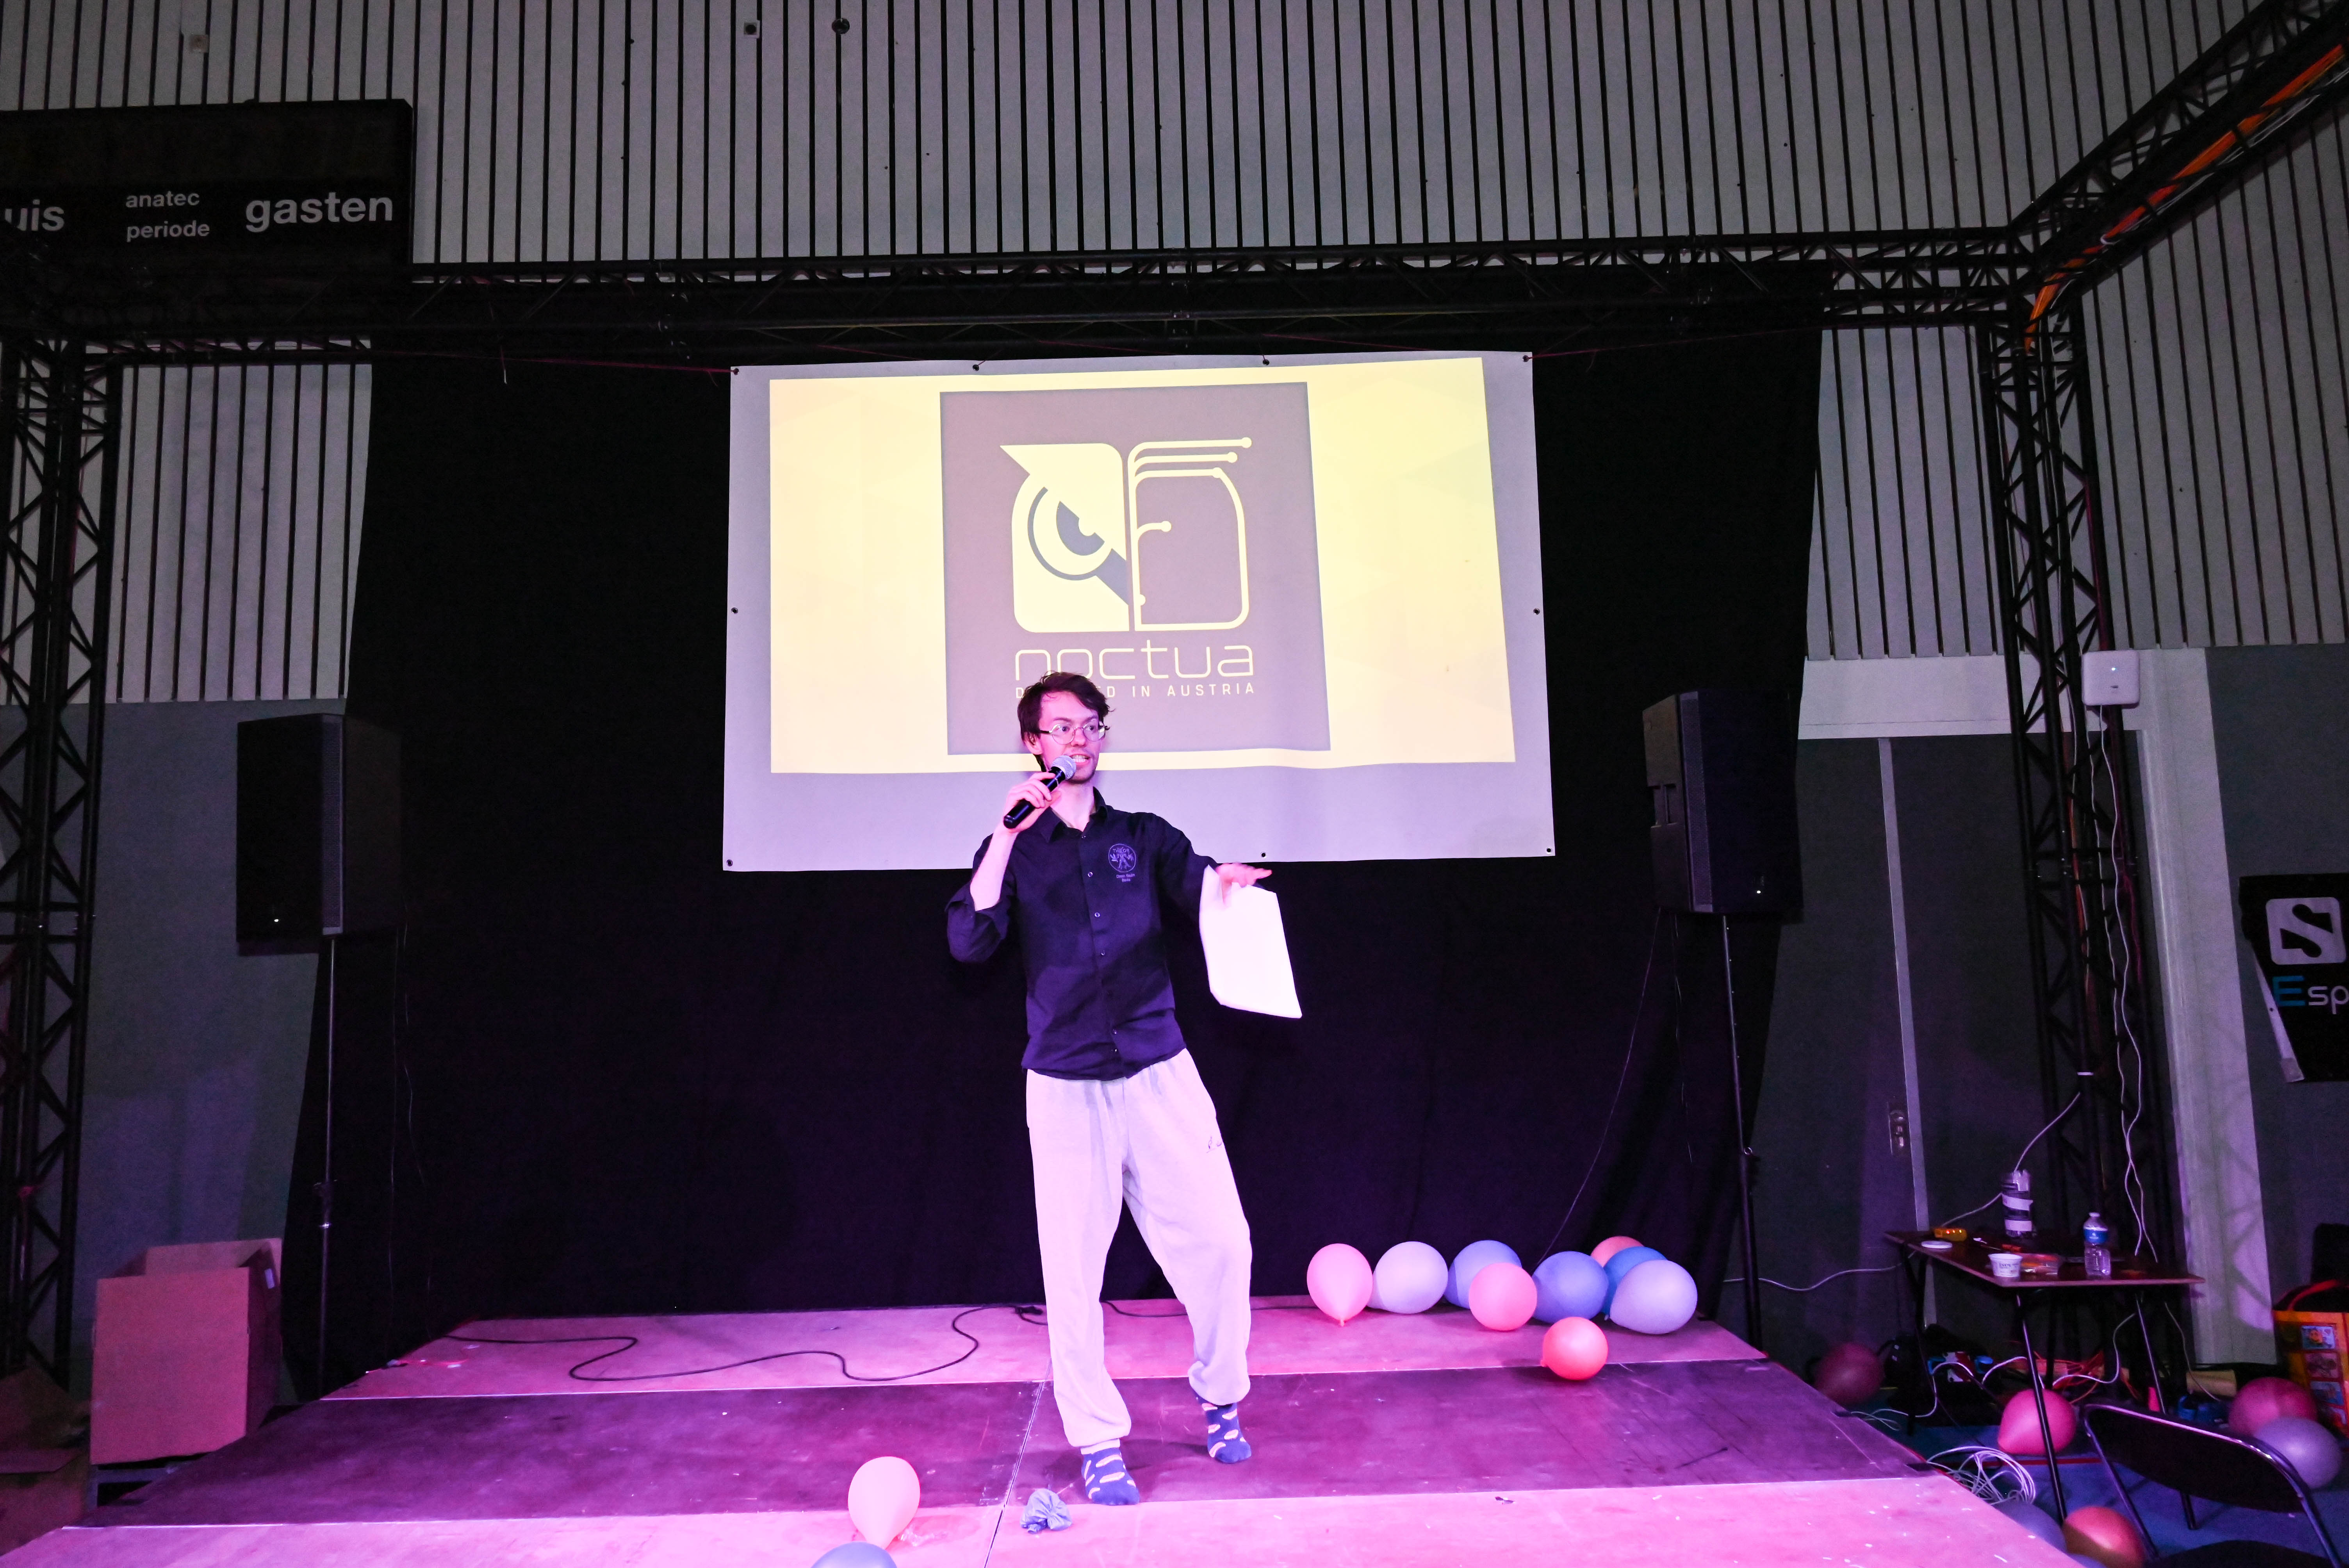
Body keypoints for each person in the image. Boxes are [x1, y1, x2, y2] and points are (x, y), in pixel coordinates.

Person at [946, 671, 1269, 1506]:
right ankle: (1096, 1440)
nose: (1080, 740)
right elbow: (969, 939)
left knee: (1223, 1241)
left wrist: (1226, 886)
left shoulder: (1142, 836)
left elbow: (1201, 883)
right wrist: (1005, 834)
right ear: (1033, 744)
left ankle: (1221, 1396)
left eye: (1091, 726)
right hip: (1065, 1083)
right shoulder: (1016, 849)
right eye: (1062, 728)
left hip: (1158, 1068)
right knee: (1071, 1273)